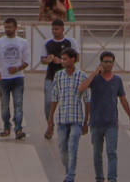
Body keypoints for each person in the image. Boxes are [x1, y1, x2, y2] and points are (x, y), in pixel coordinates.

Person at [80, 50, 130, 182]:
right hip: (96, 122)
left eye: (110, 62)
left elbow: (123, 99)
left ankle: (112, 178)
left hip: (111, 123)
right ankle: (99, 177)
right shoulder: (95, 79)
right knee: (97, 154)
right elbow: (82, 88)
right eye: (105, 62)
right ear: (101, 63)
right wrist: (94, 73)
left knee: (112, 153)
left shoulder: (117, 80)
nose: (108, 64)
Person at [47, 47, 89, 182]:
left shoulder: (82, 76)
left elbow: (87, 99)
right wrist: (50, 118)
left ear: (73, 59)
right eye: (62, 59)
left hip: (76, 118)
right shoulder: (59, 76)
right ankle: (68, 171)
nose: (63, 61)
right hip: (62, 118)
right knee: (63, 149)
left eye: (65, 59)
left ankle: (70, 176)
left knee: (73, 147)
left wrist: (86, 121)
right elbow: (54, 97)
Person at [0, 16, 31, 140]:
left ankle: (18, 128)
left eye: (10, 27)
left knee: (18, 103)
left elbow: (26, 61)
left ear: (15, 28)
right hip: (4, 78)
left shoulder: (22, 42)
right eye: (6, 27)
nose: (7, 29)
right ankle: (6, 126)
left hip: (17, 78)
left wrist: (17, 69)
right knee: (4, 105)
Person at [42, 19, 75, 125]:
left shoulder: (70, 42)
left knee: (66, 103)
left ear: (62, 29)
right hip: (51, 77)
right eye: (53, 29)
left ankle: (65, 124)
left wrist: (61, 61)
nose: (54, 31)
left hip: (67, 77)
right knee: (48, 102)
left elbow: (76, 58)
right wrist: (48, 60)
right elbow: (43, 59)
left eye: (57, 29)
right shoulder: (47, 43)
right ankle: (49, 123)